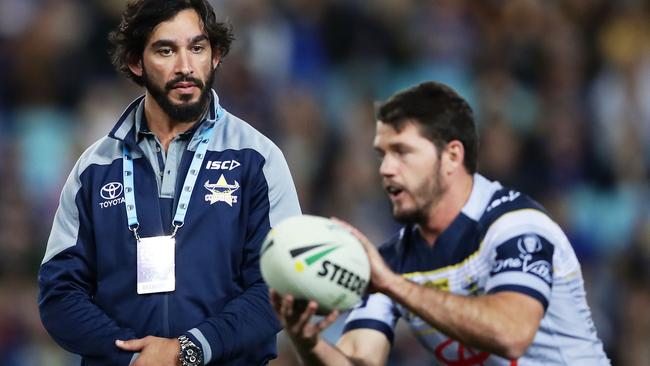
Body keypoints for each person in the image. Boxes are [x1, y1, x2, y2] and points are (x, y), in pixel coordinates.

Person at [271, 81, 610, 365]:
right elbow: (359, 358)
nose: (386, 169)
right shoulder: (392, 262)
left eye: (402, 152)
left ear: (451, 156)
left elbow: (512, 333)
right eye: (383, 154)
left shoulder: (516, 226)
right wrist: (307, 342)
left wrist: (394, 286)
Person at [38, 1, 301, 365]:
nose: (185, 66)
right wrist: (133, 355)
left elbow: (280, 286)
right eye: (166, 50)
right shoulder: (94, 168)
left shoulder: (257, 159)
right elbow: (59, 294)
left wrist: (188, 350)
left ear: (216, 56)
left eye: (197, 48)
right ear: (136, 62)